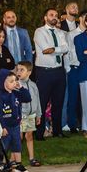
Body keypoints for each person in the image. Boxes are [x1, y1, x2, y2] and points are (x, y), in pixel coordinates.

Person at [33, 8, 69, 139]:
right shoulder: (39, 32)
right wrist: (58, 49)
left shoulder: (60, 33)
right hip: (44, 71)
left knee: (58, 102)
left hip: (59, 71)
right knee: (42, 102)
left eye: (56, 15)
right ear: (45, 17)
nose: (54, 17)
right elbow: (44, 49)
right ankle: (40, 132)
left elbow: (66, 48)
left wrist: (54, 49)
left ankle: (57, 131)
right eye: (51, 15)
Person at [0, 69, 31, 172]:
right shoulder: (0, 97)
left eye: (15, 80)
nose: (14, 83)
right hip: (6, 126)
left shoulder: (16, 93)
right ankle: (0, 164)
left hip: (15, 125)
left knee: (17, 145)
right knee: (4, 146)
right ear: (3, 82)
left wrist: (21, 87)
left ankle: (18, 165)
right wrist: (2, 127)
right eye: (11, 81)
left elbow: (28, 98)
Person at [62, 9, 87, 133]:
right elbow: (67, 53)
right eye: (86, 17)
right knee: (73, 98)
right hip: (74, 69)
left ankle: (85, 123)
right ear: (81, 19)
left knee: (85, 98)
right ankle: (72, 124)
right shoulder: (71, 34)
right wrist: (68, 69)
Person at [16, 61, 42, 167]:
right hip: (22, 115)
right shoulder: (16, 85)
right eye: (17, 69)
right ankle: (15, 160)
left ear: (29, 72)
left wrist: (38, 114)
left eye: (22, 70)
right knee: (19, 137)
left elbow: (37, 100)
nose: (18, 72)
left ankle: (32, 158)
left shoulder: (33, 85)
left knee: (29, 136)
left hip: (31, 115)